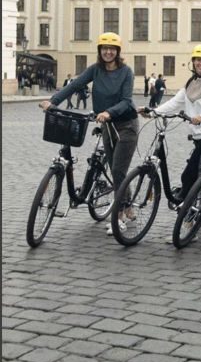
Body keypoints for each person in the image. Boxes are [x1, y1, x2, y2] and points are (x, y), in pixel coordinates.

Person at [39, 33, 139, 235]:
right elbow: (75, 85)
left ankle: (118, 216)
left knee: (118, 170)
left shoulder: (126, 72)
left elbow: (127, 101)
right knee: (114, 168)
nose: (108, 52)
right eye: (104, 48)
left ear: (118, 52)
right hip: (106, 125)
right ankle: (128, 204)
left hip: (126, 125)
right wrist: (54, 101)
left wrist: (109, 112)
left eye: (112, 49)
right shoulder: (96, 70)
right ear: (100, 51)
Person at [145, 44, 201, 237]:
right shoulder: (191, 81)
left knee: (195, 178)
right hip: (199, 137)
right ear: (193, 62)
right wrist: (153, 112)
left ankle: (188, 225)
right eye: (198, 60)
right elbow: (175, 102)